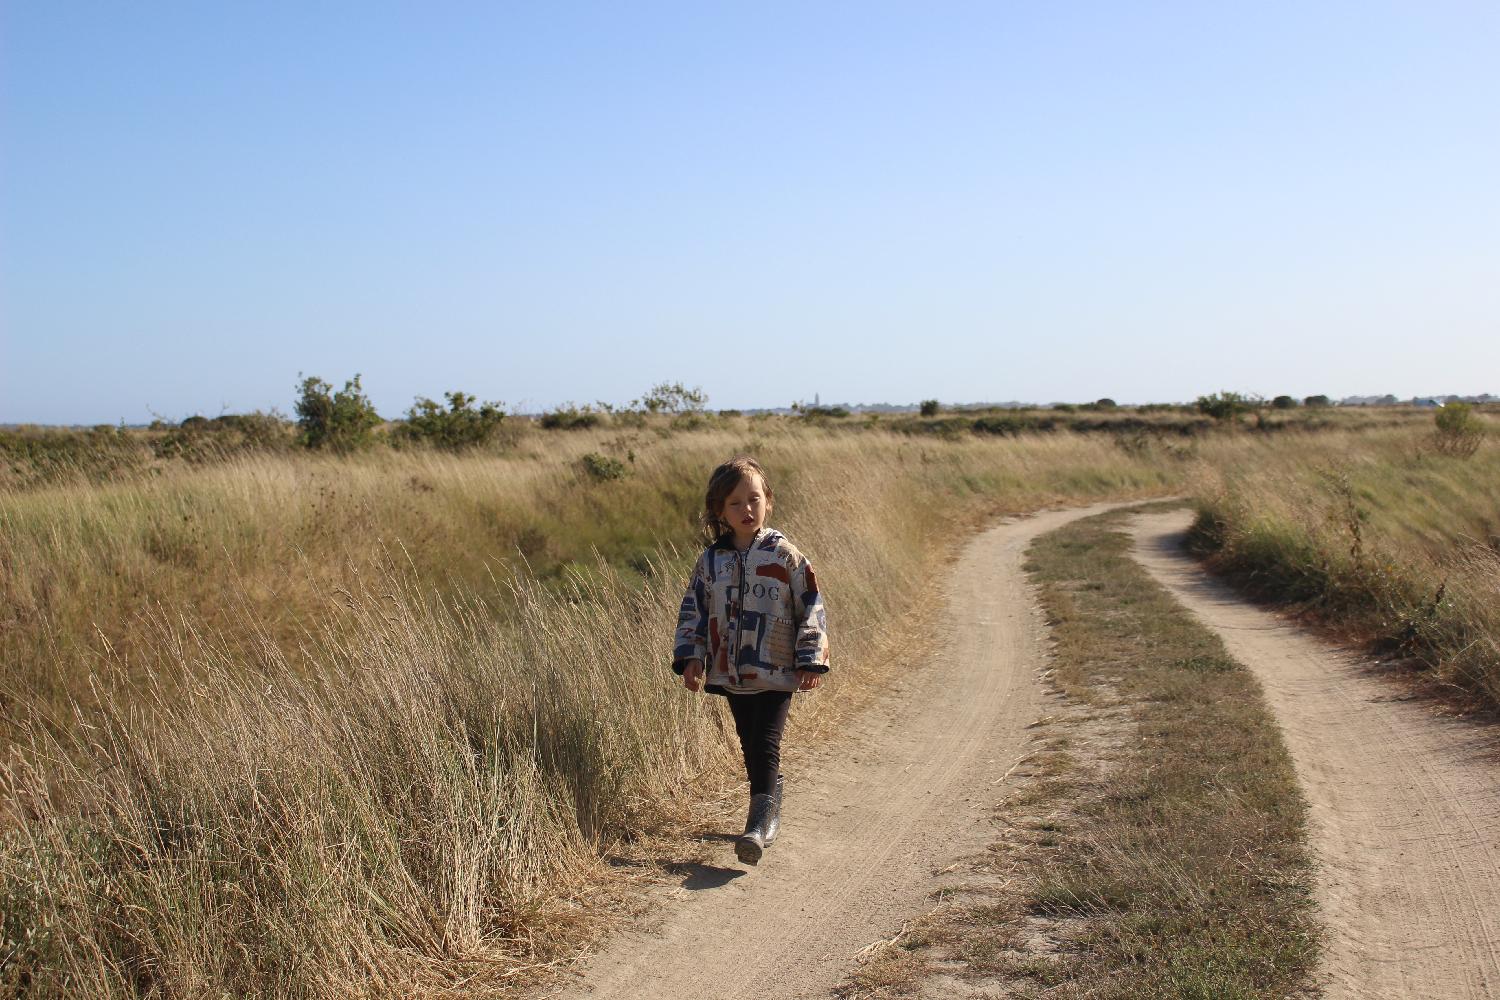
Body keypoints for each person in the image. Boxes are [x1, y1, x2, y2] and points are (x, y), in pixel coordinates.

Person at [671, 456, 830, 865]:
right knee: (748, 740)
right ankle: (771, 795)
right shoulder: (712, 561)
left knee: (766, 740)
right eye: (735, 502)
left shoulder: (785, 555)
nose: (746, 509)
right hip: (732, 669)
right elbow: (695, 609)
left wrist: (810, 658)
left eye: (754, 499)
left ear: (769, 502)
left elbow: (810, 605)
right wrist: (692, 657)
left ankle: (757, 827)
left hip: (777, 668)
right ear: (720, 511)